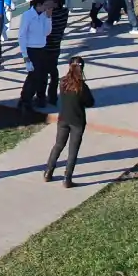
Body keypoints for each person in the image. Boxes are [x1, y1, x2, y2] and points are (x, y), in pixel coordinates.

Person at [43, 57, 95, 188]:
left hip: (63, 119)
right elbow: (90, 102)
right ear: (81, 68)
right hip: (77, 121)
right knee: (73, 151)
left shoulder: (63, 82)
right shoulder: (82, 86)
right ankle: (67, 179)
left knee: (58, 145)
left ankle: (48, 172)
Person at [18, 0, 56, 113]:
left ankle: (36, 98)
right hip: (31, 49)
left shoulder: (45, 15)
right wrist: (25, 56)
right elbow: (22, 35)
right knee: (33, 76)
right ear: (38, 5)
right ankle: (25, 100)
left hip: (42, 48)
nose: (47, 8)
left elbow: (47, 32)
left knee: (42, 75)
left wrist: (49, 18)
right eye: (45, 5)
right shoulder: (28, 16)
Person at [42, 0, 70, 107]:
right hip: (56, 46)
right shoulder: (64, 13)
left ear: (56, 4)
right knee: (53, 72)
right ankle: (52, 97)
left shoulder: (50, 15)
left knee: (43, 73)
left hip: (46, 46)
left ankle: (41, 97)